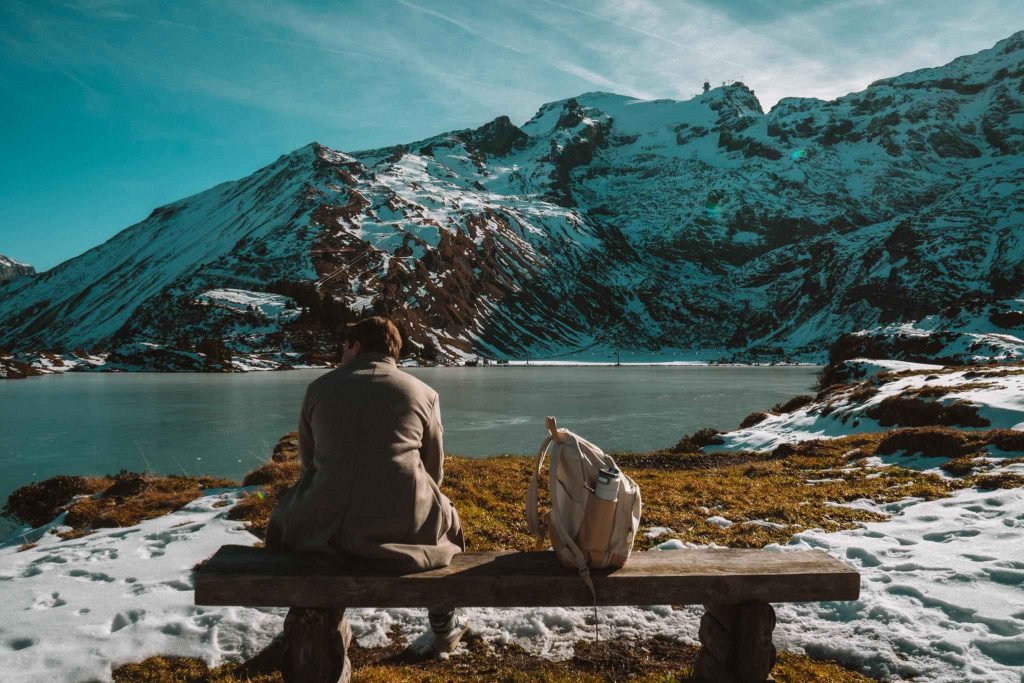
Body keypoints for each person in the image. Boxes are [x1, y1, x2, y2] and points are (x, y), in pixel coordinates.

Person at [266, 315, 467, 657]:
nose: (341, 355)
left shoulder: (319, 388)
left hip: (322, 527)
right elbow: (433, 471)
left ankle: (299, 623)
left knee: (295, 518)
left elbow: (310, 464)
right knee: (450, 519)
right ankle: (443, 623)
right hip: (400, 527)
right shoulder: (424, 393)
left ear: (356, 346)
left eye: (344, 347)